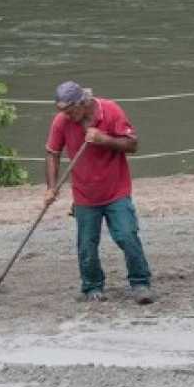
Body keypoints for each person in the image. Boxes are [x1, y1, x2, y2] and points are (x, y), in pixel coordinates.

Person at [44, 81, 154, 304]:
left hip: (116, 190)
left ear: (82, 102)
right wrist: (51, 187)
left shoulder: (110, 110)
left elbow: (133, 145)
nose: (66, 115)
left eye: (70, 110)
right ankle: (92, 287)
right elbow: (52, 153)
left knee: (127, 235)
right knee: (86, 244)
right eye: (62, 111)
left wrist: (103, 139)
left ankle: (140, 283)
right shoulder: (61, 121)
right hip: (84, 194)